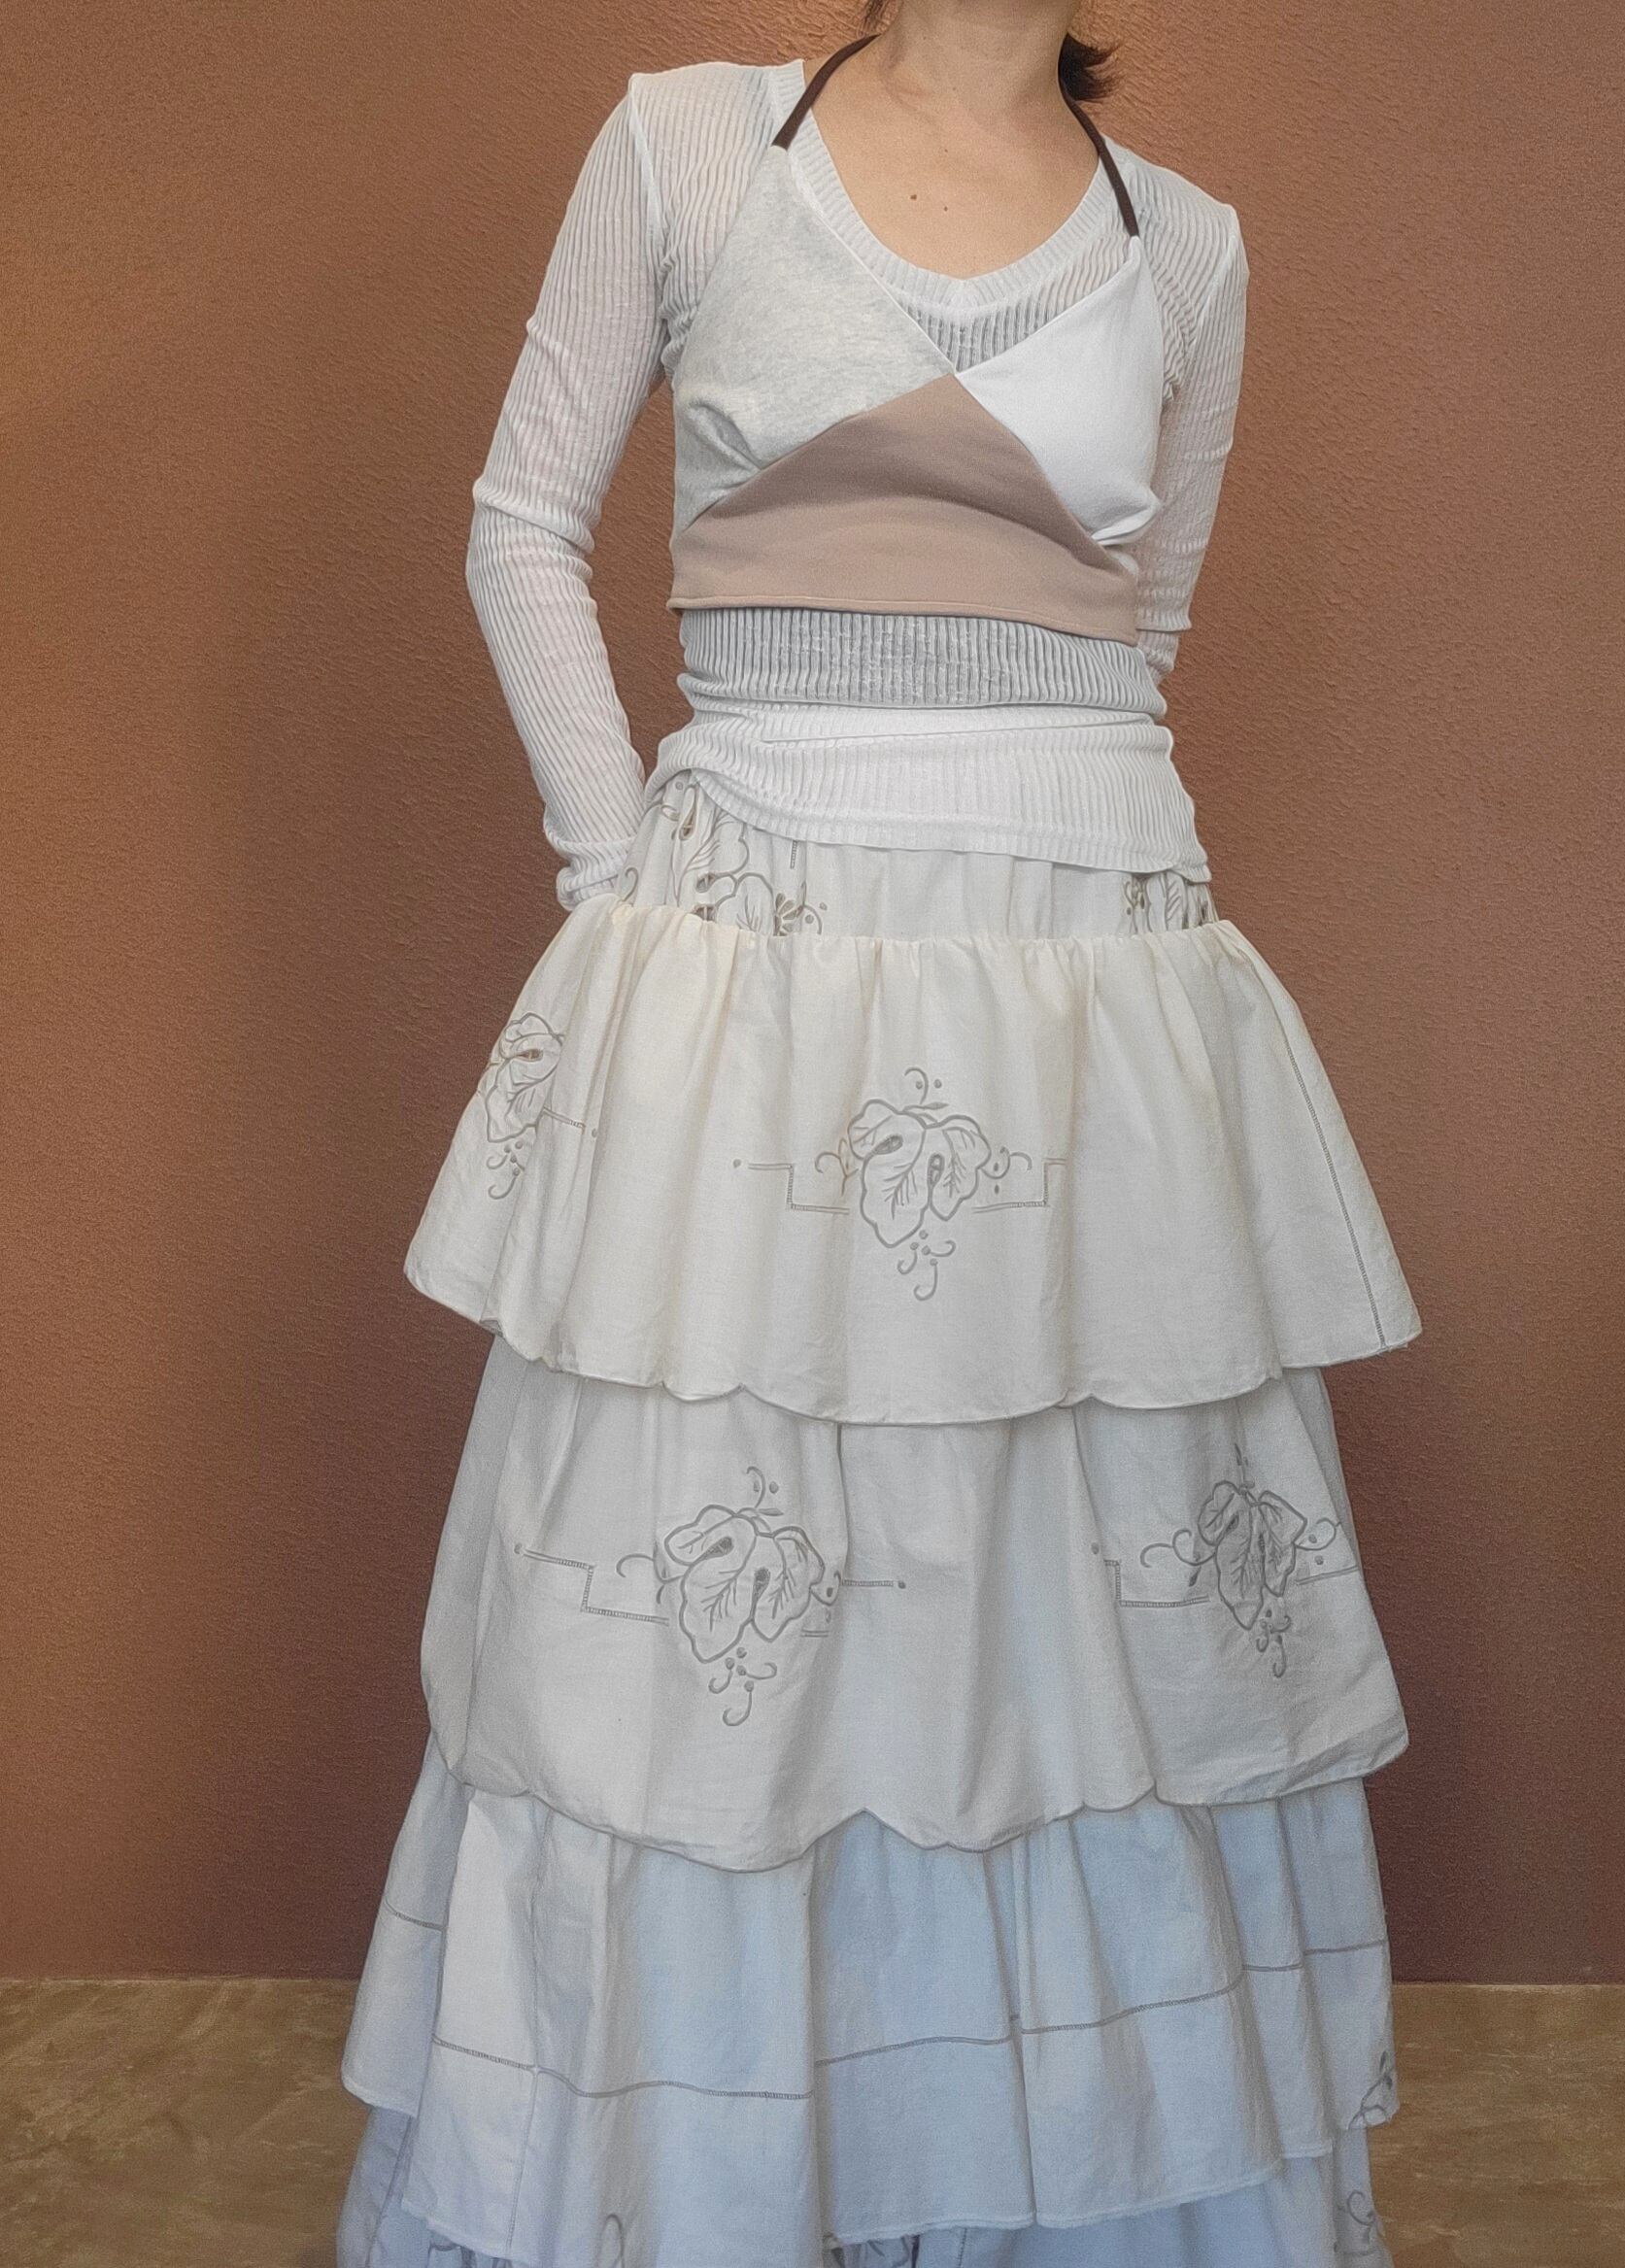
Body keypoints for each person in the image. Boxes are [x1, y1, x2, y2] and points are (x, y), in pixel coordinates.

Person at [336, 9, 1420, 2264]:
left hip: (1086, 981)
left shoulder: (1188, 250)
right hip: (758, 950)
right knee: (730, 1612)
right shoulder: (690, 149)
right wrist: (618, 875)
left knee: (1080, 1628)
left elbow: (1140, 640)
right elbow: (521, 521)